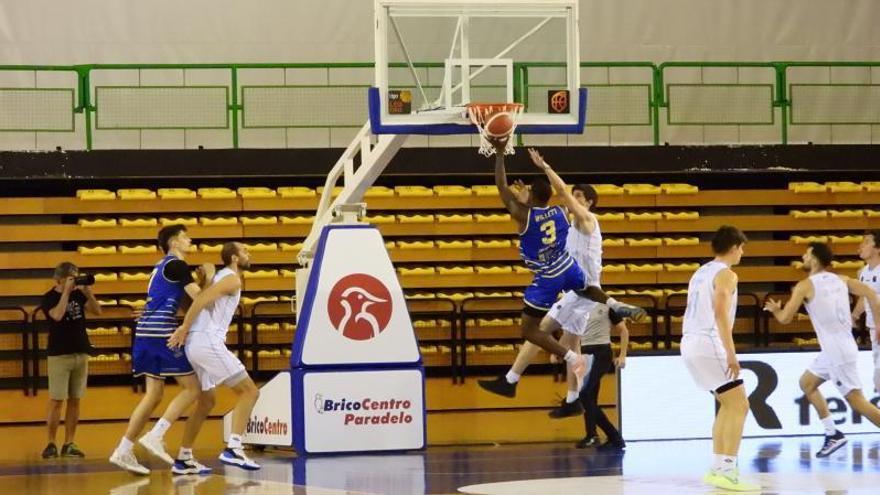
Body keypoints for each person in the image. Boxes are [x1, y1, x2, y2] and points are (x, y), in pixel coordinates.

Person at [478, 147, 644, 400]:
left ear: (588, 202)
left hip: (552, 277)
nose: (572, 199)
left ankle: (518, 377)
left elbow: (508, 190)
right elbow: (552, 200)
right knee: (575, 329)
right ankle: (573, 398)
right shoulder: (560, 214)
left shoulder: (577, 217)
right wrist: (529, 196)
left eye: (580, 197)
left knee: (534, 331)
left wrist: (504, 155)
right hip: (571, 273)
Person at [110, 225, 216, 476]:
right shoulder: (177, 265)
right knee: (193, 388)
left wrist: (198, 282)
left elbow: (181, 303)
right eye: (185, 237)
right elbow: (201, 299)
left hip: (146, 333)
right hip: (161, 333)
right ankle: (156, 435)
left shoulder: (161, 266)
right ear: (174, 242)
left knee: (153, 395)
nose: (190, 240)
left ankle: (122, 450)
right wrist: (210, 277)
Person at [765, 242, 880, 458]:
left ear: (815, 259)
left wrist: (775, 310)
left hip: (836, 352)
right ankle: (832, 433)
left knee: (858, 402)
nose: (803, 257)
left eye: (807, 254)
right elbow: (872, 295)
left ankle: (833, 433)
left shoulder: (805, 285)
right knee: (806, 384)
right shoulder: (842, 280)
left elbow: (785, 319)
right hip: (840, 347)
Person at [168, 242, 261, 471]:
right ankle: (234, 448)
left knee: (206, 401)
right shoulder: (232, 278)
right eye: (245, 251)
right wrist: (184, 327)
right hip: (206, 341)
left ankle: (184, 457)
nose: (249, 253)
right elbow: (199, 300)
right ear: (234, 258)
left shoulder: (220, 277)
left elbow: (197, 298)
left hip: (197, 343)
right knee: (250, 391)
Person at [680, 225, 759, 491]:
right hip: (707, 340)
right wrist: (731, 353)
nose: (743, 253)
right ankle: (727, 471)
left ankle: (717, 468)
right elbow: (720, 311)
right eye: (742, 248)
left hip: (689, 341)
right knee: (740, 406)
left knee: (727, 405)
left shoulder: (700, 272)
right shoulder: (727, 274)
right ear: (735, 247)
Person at [40, 262, 101, 459]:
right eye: (71, 278)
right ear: (59, 279)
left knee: (75, 400)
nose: (74, 281)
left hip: (80, 352)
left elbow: (98, 311)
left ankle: (69, 442)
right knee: (57, 400)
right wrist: (65, 292)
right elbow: (57, 315)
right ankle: (51, 443)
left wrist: (88, 292)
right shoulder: (49, 298)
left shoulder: (79, 294)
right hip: (59, 354)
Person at [549, 303, 629, 451]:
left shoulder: (607, 305)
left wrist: (622, 355)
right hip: (584, 352)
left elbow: (623, 330)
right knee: (588, 396)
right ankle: (595, 435)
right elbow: (568, 333)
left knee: (585, 394)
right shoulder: (578, 307)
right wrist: (556, 351)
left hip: (602, 352)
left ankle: (612, 437)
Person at [852, 230, 880, 393]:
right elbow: (865, 297)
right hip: (874, 329)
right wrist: (855, 315)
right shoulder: (862, 273)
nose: (861, 245)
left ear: (877, 248)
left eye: (867, 241)